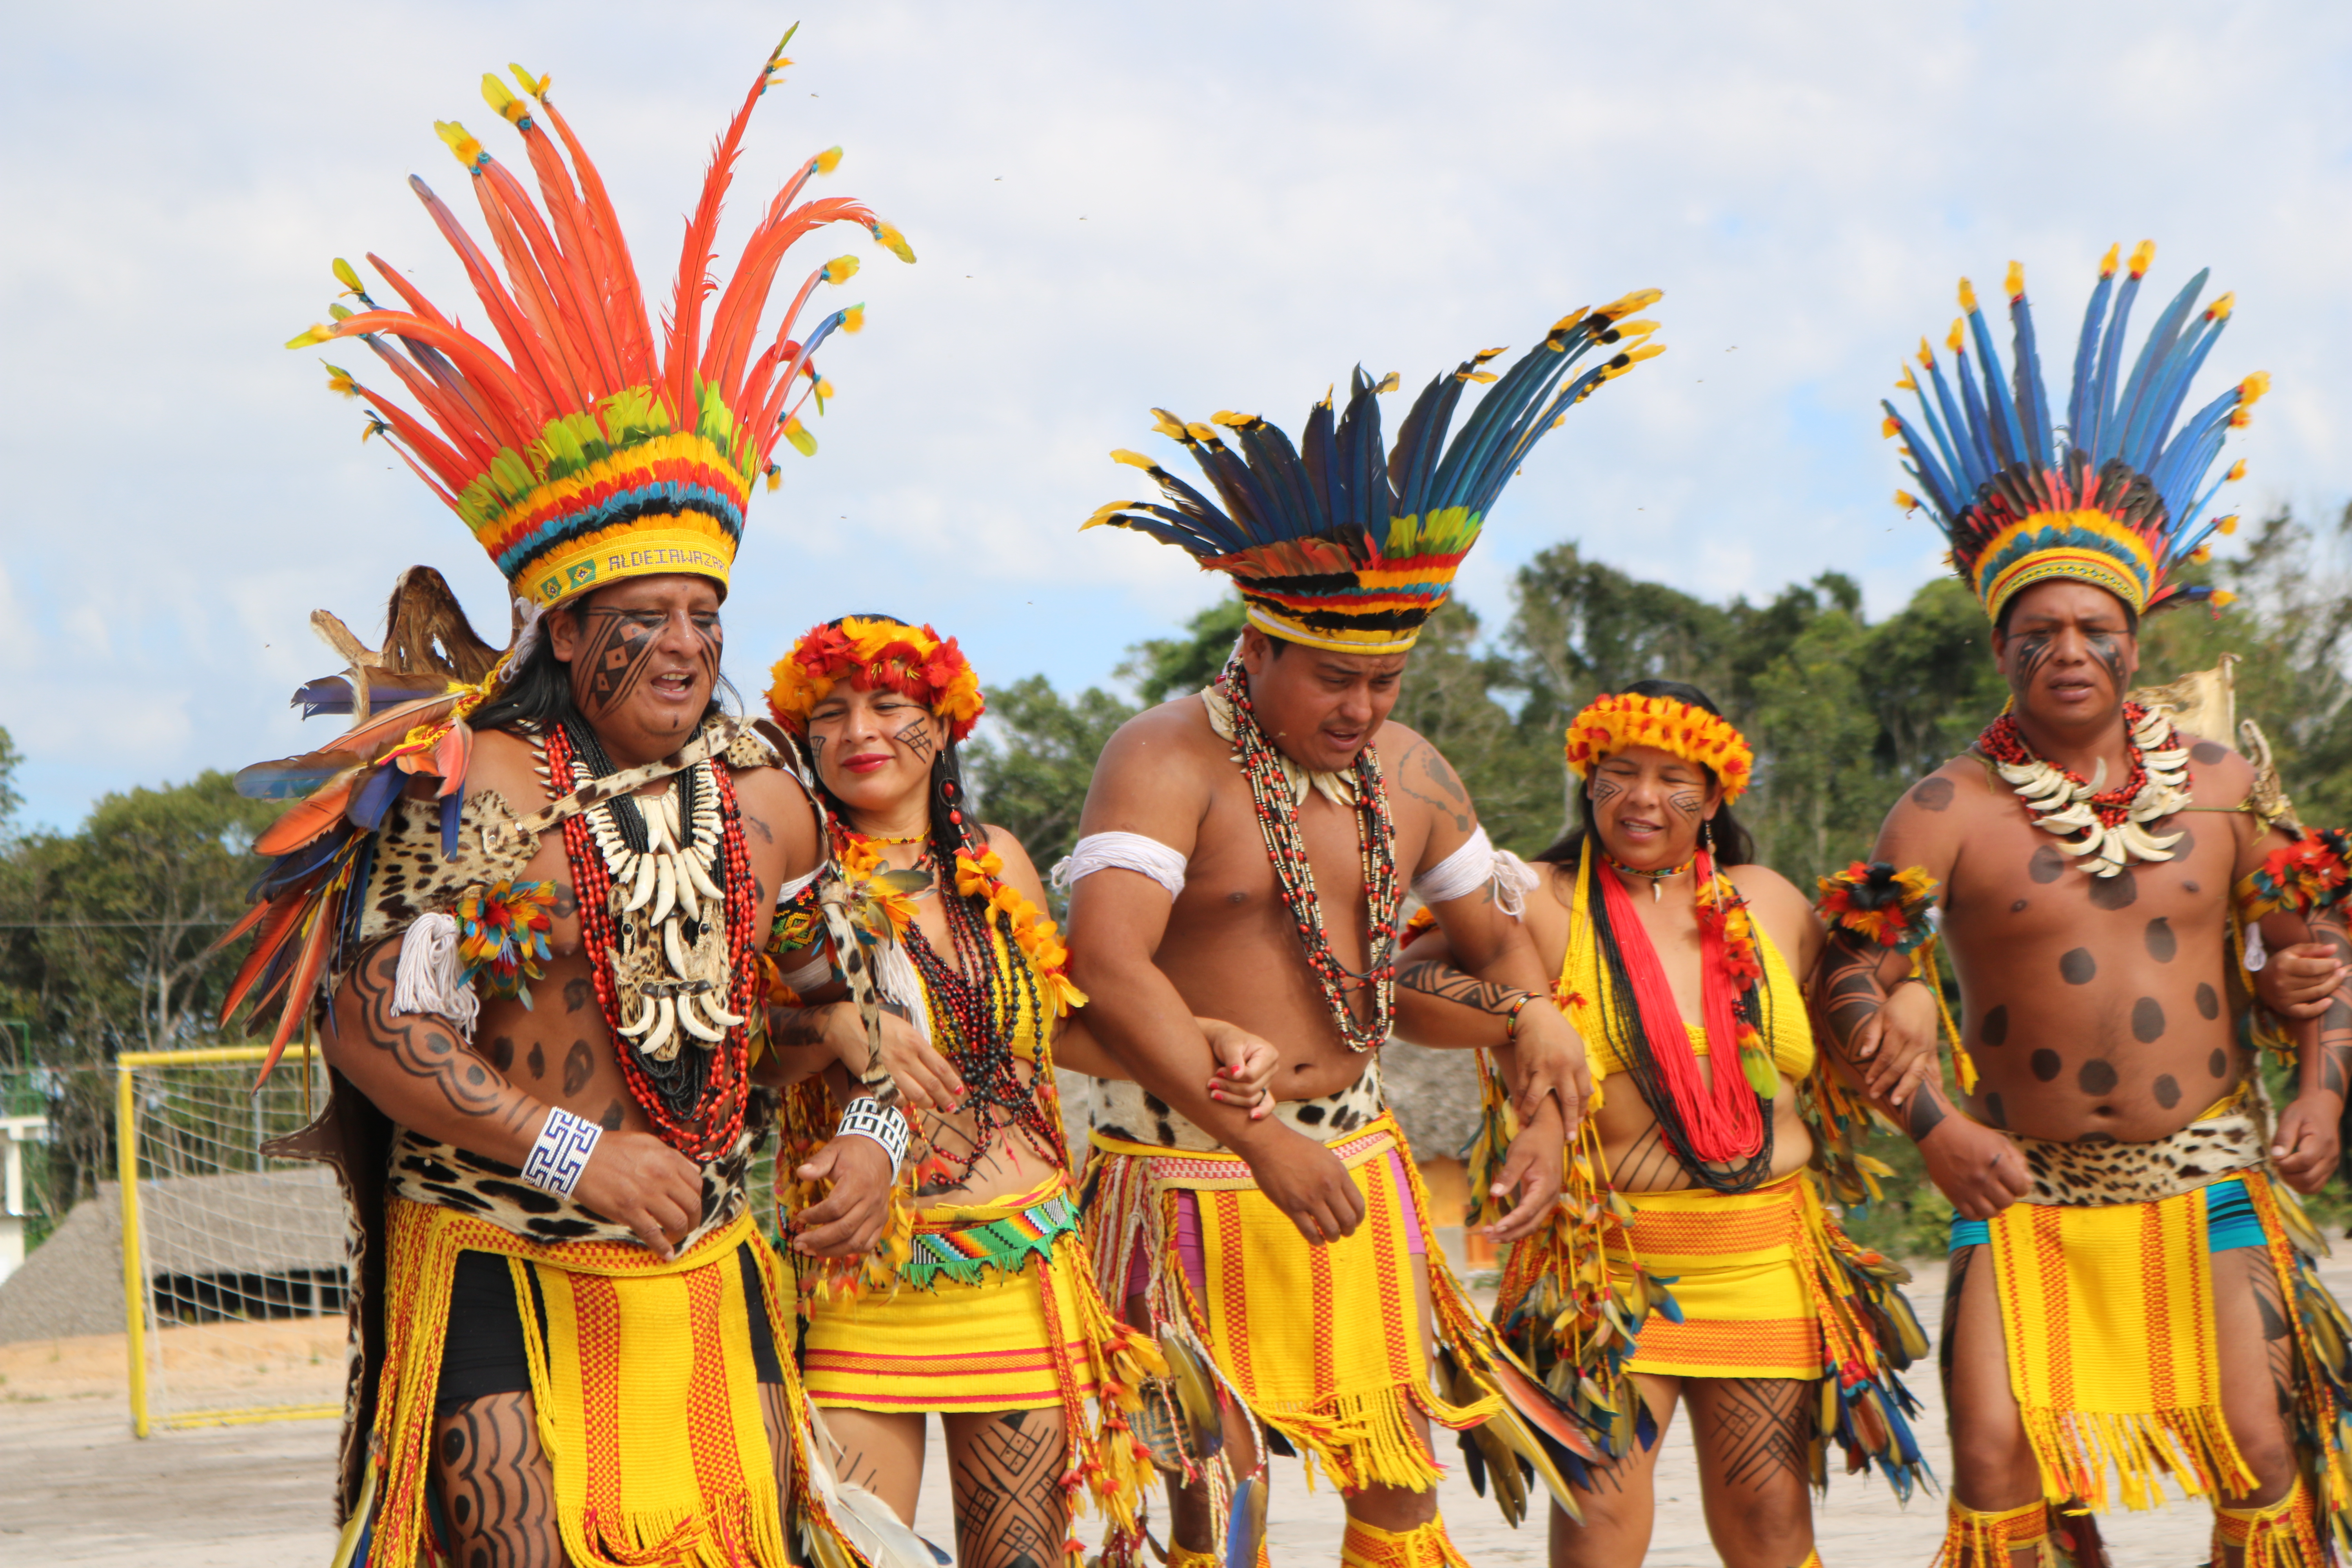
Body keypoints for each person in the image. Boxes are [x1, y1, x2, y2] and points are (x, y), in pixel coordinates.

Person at [227, 41, 921, 1566]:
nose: (683, 645)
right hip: (502, 1263)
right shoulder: (474, 785)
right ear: (559, 627)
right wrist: (576, 1155)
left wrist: (873, 1135)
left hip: (707, 1271)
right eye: (645, 616)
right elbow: (380, 1027)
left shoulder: (768, 801)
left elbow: (856, 1013)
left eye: (705, 616)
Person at [1064, 298, 1664, 1568]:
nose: (1364, 707)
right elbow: (1106, 965)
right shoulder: (1163, 758)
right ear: (1259, 647)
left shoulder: (1412, 769)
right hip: (1186, 1174)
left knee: (1398, 1494)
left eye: (1386, 680)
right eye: (1335, 679)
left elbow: (1497, 953)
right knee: (1212, 1505)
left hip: (1361, 1162)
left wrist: (1539, 1083)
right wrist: (1261, 1141)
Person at [1840, 243, 2352, 1568]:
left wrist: (2322, 1089)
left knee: (2261, 1448)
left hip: (2210, 1174)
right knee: (2001, 1462)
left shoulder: (2226, 785)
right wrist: (1935, 1129)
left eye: (2093, 628)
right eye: (2039, 631)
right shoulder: (1944, 809)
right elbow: (1848, 983)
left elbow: (2319, 950)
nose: (2068, 650)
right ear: (1999, 644)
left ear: (2134, 637)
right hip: (2019, 1184)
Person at [754, 614, 1286, 1568]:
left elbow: (1053, 1030)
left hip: (1019, 1265)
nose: (858, 730)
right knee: (851, 1556)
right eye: (828, 713)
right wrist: (835, 1024)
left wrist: (1201, 1034)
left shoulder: (994, 859)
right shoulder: (795, 879)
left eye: (888, 703)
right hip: (860, 1277)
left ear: (944, 721)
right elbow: (746, 1054)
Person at [1392, 681, 1929, 1568]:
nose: (1643, 797)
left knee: (1771, 1525)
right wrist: (1527, 1011)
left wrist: (1910, 997)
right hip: (1605, 1270)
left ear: (1715, 797)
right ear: (1589, 779)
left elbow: (1856, 996)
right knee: (1599, 1531)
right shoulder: (1536, 897)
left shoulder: (1767, 900)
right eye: (1621, 772)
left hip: (1761, 1256)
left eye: (1674, 778)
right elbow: (1403, 987)